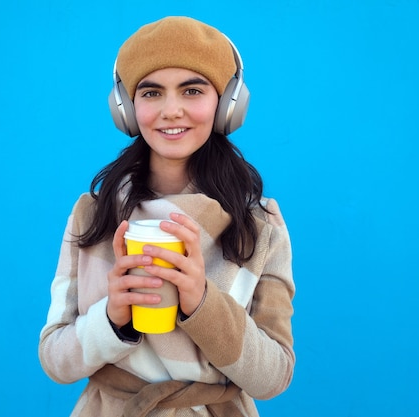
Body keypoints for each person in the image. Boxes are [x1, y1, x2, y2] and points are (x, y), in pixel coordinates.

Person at [39, 16, 295, 417]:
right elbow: (55, 361)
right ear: (126, 107)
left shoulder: (260, 225)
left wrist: (202, 304)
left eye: (192, 90)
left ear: (228, 103)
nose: (171, 110)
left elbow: (274, 377)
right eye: (151, 92)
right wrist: (110, 320)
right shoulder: (92, 215)